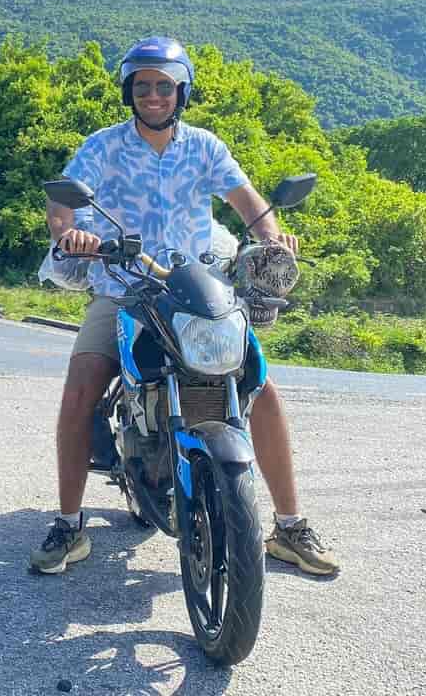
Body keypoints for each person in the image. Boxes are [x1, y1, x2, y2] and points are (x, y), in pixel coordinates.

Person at [30, 37, 339, 576]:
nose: (153, 95)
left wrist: (272, 237)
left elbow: (250, 205)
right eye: (142, 85)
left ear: (182, 93)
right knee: (81, 386)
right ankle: (69, 523)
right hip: (124, 284)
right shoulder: (103, 146)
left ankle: (290, 526)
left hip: (197, 284)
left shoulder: (205, 147)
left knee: (259, 388)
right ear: (130, 91)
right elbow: (63, 202)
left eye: (164, 86)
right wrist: (70, 235)